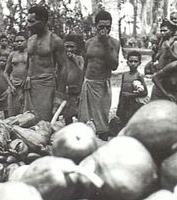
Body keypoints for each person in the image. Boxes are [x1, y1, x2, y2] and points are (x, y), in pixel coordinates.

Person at [78, 10, 120, 141]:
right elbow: (85, 65)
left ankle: (102, 143)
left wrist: (106, 43)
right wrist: (81, 84)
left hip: (102, 86)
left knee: (102, 120)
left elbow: (114, 65)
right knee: (85, 119)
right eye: (101, 27)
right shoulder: (89, 43)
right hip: (88, 83)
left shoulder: (114, 43)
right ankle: (86, 145)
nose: (104, 30)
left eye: (108, 27)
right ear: (95, 26)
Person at [24, 5, 65, 121]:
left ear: (42, 21)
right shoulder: (30, 40)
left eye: (32, 22)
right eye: (27, 21)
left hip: (46, 86)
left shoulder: (55, 40)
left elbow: (63, 68)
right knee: (28, 121)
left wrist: (59, 95)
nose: (28, 25)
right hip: (30, 85)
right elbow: (28, 64)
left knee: (45, 122)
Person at [57, 34, 84, 125]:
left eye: (71, 47)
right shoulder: (62, 60)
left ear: (76, 47)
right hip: (66, 92)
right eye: (67, 47)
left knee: (79, 115)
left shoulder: (79, 58)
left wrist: (73, 59)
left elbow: (81, 71)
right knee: (67, 116)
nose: (69, 49)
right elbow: (58, 74)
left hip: (77, 91)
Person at [116, 51, 148, 126]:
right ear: (127, 62)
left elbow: (145, 92)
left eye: (135, 61)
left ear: (139, 63)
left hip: (134, 104)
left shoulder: (139, 76)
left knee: (132, 122)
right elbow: (122, 91)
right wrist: (119, 105)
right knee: (123, 122)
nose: (133, 63)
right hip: (124, 104)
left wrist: (131, 95)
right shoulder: (124, 75)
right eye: (131, 61)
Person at [4, 32, 28, 116]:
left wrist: (25, 79)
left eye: (22, 40)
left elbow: (32, 70)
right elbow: (6, 72)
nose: (19, 43)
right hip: (13, 86)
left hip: (26, 86)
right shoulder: (12, 54)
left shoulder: (29, 54)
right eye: (17, 41)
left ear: (27, 41)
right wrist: (11, 85)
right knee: (13, 111)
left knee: (25, 112)